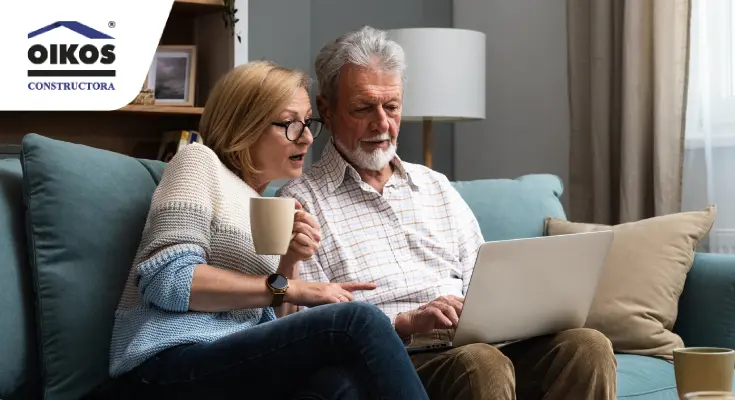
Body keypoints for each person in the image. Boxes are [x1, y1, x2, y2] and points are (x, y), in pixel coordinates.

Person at [277, 26, 618, 400]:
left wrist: (511, 310)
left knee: (587, 345)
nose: (382, 123)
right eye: (363, 108)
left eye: (391, 106)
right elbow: (310, 329)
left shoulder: (435, 186)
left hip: (476, 344)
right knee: (481, 363)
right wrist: (408, 324)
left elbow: (484, 283)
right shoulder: (302, 202)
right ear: (326, 109)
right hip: (396, 359)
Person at [107, 60, 429, 400]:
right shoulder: (198, 163)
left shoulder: (269, 203)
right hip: (168, 359)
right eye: (290, 124)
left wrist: (289, 260)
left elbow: (269, 320)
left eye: (307, 123)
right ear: (244, 126)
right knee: (360, 320)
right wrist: (292, 287)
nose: (306, 137)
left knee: (342, 386)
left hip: (234, 359)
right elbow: (166, 280)